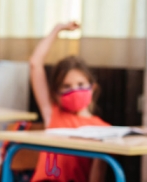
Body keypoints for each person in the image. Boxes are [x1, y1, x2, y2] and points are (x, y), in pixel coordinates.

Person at [28, 22, 109, 182]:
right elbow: (35, 63)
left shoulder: (103, 130)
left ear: (93, 88)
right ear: (56, 94)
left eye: (80, 85)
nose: (74, 90)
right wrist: (57, 29)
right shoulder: (53, 114)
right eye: (66, 86)